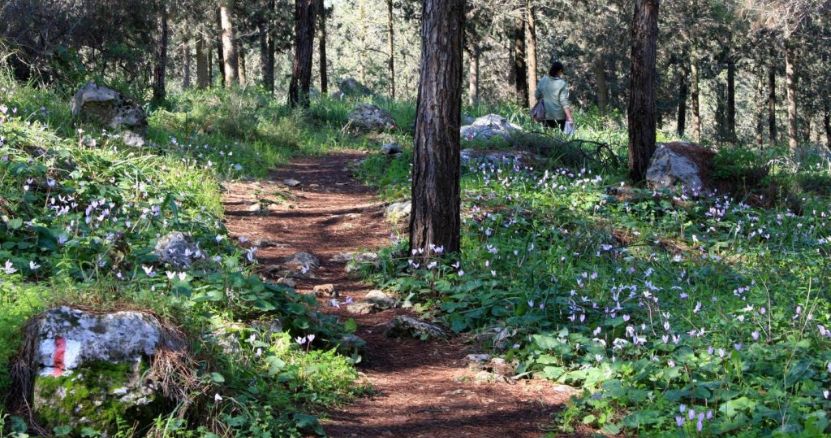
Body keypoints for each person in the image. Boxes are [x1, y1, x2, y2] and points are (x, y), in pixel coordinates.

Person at [535, 61, 574, 131]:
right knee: (559, 140)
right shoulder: (562, 84)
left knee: (547, 138)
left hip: (545, 116)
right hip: (559, 117)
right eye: (561, 72)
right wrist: (570, 118)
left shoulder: (543, 80)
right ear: (559, 71)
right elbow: (564, 102)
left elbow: (537, 95)